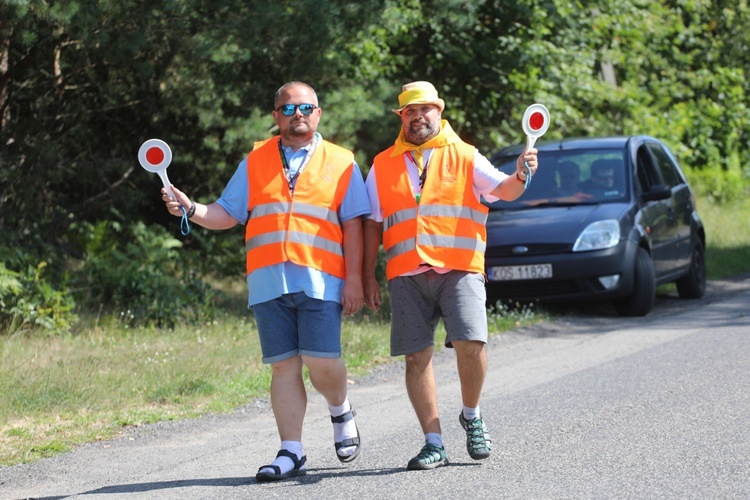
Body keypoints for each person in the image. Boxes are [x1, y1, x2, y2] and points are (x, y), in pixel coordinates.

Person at [161, 81, 369, 482]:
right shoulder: (254, 160)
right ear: (276, 117)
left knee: (321, 361)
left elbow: (354, 225)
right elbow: (225, 212)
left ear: (319, 113)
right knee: (283, 367)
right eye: (288, 110)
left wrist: (356, 280)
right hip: (268, 281)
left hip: (321, 278)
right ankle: (291, 451)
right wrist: (190, 207)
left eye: (306, 108)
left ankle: (340, 409)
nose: (298, 116)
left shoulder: (342, 161)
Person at [362, 81, 539, 470]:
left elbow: (505, 191)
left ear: (439, 112)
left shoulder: (466, 155)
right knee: (415, 358)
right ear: (401, 117)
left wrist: (522, 174)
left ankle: (471, 415)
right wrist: (365, 277)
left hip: (460, 268)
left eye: (425, 109)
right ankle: (433, 442)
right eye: (409, 111)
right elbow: (372, 224)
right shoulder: (382, 164)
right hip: (405, 272)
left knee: (471, 343)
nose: (417, 116)